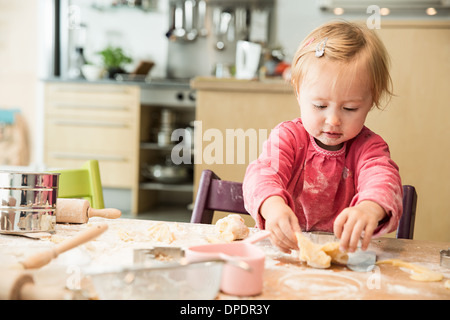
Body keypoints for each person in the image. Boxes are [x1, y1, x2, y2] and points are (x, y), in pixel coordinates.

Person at [243, 20, 403, 254]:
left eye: (349, 109)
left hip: (347, 258)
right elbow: (262, 174)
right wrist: (273, 207)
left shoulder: (369, 148)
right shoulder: (289, 137)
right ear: (298, 92)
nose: (333, 120)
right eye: (320, 105)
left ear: (372, 100)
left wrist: (370, 208)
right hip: (289, 253)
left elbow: (383, 179)